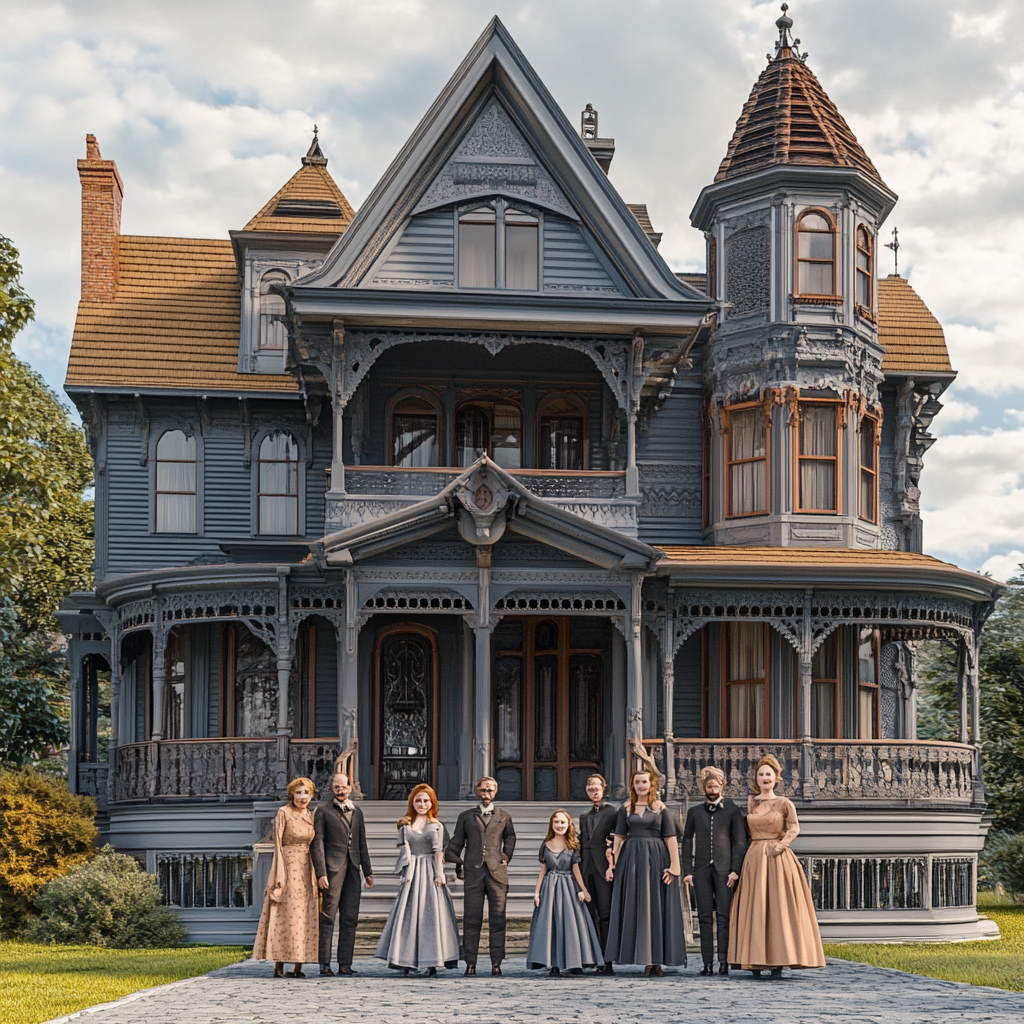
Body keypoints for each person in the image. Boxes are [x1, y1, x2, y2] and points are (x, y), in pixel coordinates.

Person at [727, 754, 825, 979]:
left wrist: (781, 846)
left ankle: (779, 960)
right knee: (756, 907)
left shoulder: (784, 802)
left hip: (777, 858)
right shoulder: (751, 802)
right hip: (754, 857)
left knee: (778, 907)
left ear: (776, 778)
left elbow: (794, 828)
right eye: (761, 774)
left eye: (768, 774)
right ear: (756, 778)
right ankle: (754, 960)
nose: (764, 778)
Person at [604, 768, 686, 976]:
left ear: (651, 784)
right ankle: (641, 956)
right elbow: (619, 837)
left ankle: (656, 960)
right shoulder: (625, 808)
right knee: (637, 905)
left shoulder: (660, 808)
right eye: (637, 782)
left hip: (657, 858)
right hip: (631, 859)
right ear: (633, 785)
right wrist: (613, 864)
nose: (641, 785)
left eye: (644, 782)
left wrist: (675, 866)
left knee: (656, 906)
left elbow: (670, 837)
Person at [375, 784, 460, 977]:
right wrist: (404, 872)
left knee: (431, 915)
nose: (422, 804)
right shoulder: (405, 826)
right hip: (412, 872)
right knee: (408, 915)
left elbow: (438, 852)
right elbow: (405, 852)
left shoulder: (436, 825)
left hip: (430, 871)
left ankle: (432, 960)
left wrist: (440, 874)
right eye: (418, 800)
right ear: (412, 803)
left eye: (426, 801)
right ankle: (405, 959)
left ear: (432, 803)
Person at [446, 776, 517, 976]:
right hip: (474, 871)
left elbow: (510, 836)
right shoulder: (467, 816)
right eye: (483, 790)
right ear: (478, 791)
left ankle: (496, 963)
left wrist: (506, 855)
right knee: (471, 919)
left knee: (497, 919)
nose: (487, 794)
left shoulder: (504, 816)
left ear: (496, 792)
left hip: (497, 873)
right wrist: (458, 862)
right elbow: (457, 840)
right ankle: (470, 963)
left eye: (490, 790)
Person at [682, 766, 748, 976]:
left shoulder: (732, 810)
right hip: (700, 870)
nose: (712, 787)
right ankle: (707, 964)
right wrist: (687, 870)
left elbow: (739, 842)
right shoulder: (694, 812)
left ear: (722, 786)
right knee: (703, 916)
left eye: (716, 784)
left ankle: (724, 962)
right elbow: (686, 841)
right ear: (704, 787)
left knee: (724, 916)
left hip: (725, 871)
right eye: (708, 784)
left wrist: (735, 870)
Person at [252, 777, 319, 978]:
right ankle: (278, 965)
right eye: (298, 793)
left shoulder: (311, 815)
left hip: (307, 867)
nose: (302, 797)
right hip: (288, 864)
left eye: (306, 793)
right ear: (292, 794)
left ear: (312, 795)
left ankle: (298, 966)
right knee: (284, 914)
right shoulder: (284, 813)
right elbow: (278, 846)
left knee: (302, 917)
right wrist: (279, 876)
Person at [311, 771, 374, 977]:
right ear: (332, 788)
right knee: (328, 918)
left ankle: (345, 963)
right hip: (331, 869)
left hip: (353, 870)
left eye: (343, 787)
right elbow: (317, 844)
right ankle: (325, 964)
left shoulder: (357, 812)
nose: (340, 790)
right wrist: (321, 872)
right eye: (336, 787)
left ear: (350, 788)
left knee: (350, 918)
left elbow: (362, 843)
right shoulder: (323, 811)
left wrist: (368, 871)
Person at [526, 809, 603, 976]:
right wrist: (537, 892)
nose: (559, 825)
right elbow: (543, 870)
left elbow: (576, 869)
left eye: (562, 822)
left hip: (569, 886)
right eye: (556, 822)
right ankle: (553, 963)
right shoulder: (545, 845)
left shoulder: (573, 846)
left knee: (572, 924)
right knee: (551, 924)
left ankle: (575, 962)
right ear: (551, 824)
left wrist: (584, 890)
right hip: (550, 887)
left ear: (568, 825)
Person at [578, 773, 618, 974]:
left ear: (604, 789)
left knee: (606, 914)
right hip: (587, 868)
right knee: (589, 914)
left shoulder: (612, 812)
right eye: (590, 789)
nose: (594, 792)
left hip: (604, 868)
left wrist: (612, 864)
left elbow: (618, 838)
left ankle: (607, 959)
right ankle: (592, 957)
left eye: (597, 788)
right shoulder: (584, 816)